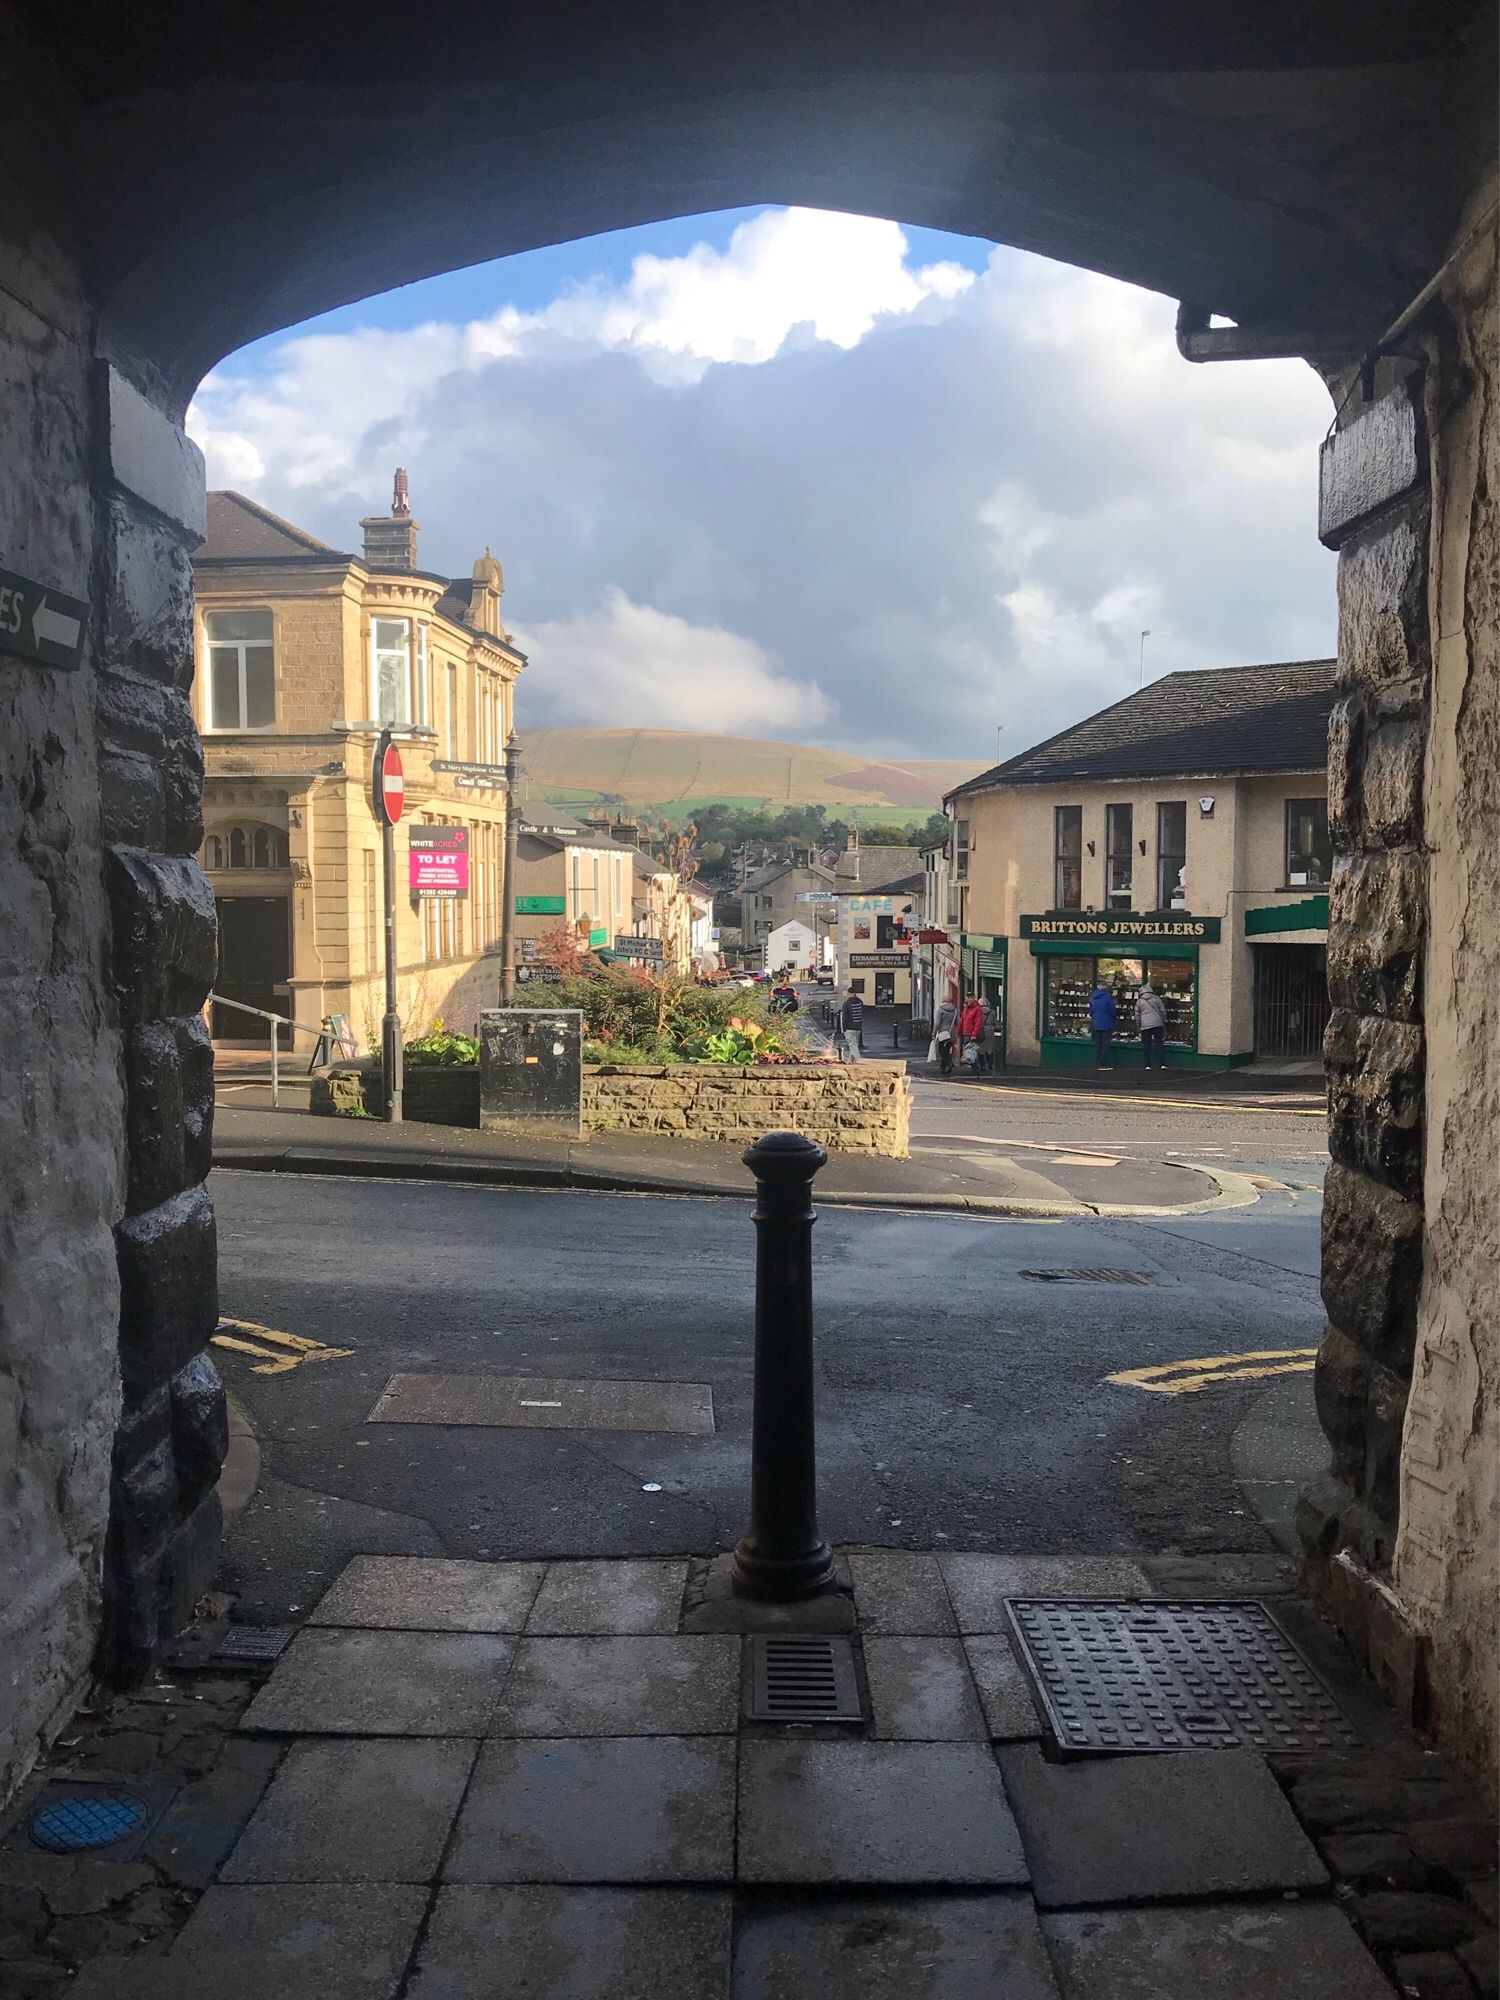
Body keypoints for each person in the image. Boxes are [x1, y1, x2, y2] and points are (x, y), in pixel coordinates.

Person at [1137, 979, 1167, 1069]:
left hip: (1145, 1026)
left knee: (1146, 1044)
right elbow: (1163, 1011)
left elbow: (1137, 1015)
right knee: (1159, 1044)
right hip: (1157, 1024)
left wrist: (1139, 1025)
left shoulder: (1139, 1001)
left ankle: (1147, 1064)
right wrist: (1163, 1020)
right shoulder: (1156, 998)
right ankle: (1162, 1064)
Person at [1089, 978, 1117, 1069]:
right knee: (1105, 1044)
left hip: (1096, 1023)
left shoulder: (1093, 998)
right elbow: (1112, 1011)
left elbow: (1091, 1012)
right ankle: (1103, 1064)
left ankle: (1098, 1063)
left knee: (1098, 1044)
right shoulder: (1107, 997)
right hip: (1107, 1023)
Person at [958, 994, 986, 1072]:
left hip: (972, 1034)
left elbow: (978, 1023)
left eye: (971, 998)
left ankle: (978, 1067)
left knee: (972, 1051)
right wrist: (959, 1031)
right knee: (969, 1051)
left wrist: (974, 1034)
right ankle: (977, 1067)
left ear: (974, 998)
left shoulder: (977, 1009)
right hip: (966, 1033)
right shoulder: (966, 1009)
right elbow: (962, 1021)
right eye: (968, 998)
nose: (969, 1000)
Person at [932, 996, 957, 1075]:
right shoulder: (956, 1010)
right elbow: (959, 1021)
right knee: (946, 1049)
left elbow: (937, 1023)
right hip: (952, 1032)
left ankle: (949, 1063)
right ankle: (943, 1068)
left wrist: (933, 1033)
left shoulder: (941, 1010)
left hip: (943, 1032)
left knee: (941, 1050)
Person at [838, 990, 865, 1060]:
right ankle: (851, 1062)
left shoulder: (846, 1004)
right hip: (858, 1027)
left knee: (852, 1046)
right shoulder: (860, 1002)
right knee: (853, 1045)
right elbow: (861, 1014)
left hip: (849, 1028)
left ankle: (858, 1060)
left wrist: (843, 1029)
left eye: (847, 993)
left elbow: (844, 1018)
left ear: (850, 993)